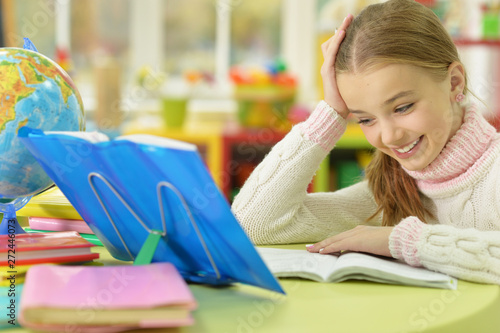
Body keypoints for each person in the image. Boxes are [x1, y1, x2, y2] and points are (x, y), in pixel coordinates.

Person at [231, 0, 500, 285]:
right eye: (366, 119)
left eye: (402, 107)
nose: (388, 136)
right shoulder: (389, 191)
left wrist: (405, 241)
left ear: (455, 83)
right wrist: (331, 112)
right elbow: (253, 224)